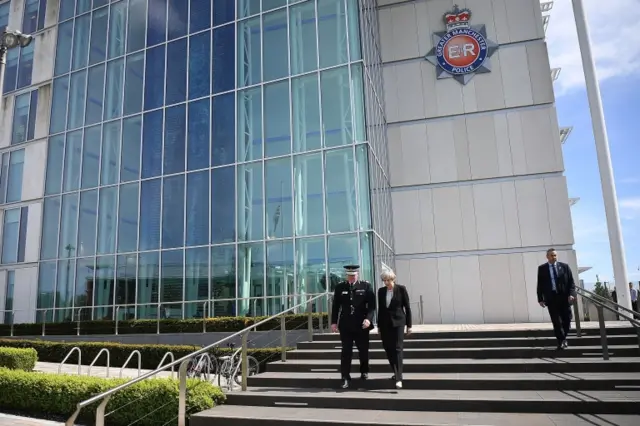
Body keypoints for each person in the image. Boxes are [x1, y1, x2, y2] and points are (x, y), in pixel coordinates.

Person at [330, 265, 375, 389]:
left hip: (362, 325)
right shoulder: (340, 287)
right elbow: (335, 306)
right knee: (346, 351)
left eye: (353, 276)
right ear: (346, 275)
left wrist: (368, 319)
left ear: (357, 275)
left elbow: (372, 306)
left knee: (363, 350)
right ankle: (345, 377)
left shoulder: (365, 286)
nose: (351, 278)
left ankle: (364, 371)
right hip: (346, 325)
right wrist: (334, 322)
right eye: (349, 276)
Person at [376, 269, 412, 389]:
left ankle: (399, 377)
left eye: (388, 280)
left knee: (397, 348)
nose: (386, 283)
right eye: (384, 280)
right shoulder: (381, 291)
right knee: (388, 348)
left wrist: (409, 325)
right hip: (385, 324)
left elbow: (407, 307)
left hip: (398, 323)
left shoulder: (401, 289)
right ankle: (395, 372)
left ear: (393, 279)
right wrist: (379, 325)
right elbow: (380, 309)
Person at [536, 248, 576, 350]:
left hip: (564, 297)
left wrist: (571, 294)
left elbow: (571, 282)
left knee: (567, 320)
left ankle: (563, 338)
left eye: (555, 255)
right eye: (552, 255)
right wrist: (540, 298)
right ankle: (561, 341)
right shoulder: (542, 268)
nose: (554, 257)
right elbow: (539, 285)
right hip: (551, 298)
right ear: (547, 257)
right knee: (556, 321)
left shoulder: (564, 267)